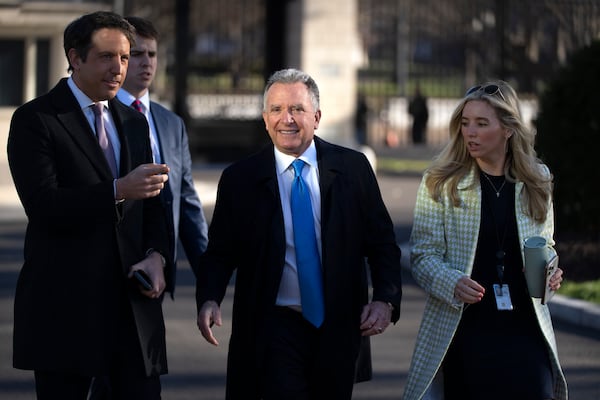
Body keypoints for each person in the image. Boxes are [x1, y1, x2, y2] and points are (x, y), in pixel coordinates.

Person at [195, 68, 402, 400]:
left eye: (297, 109)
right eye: (276, 110)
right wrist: (209, 298)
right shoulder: (241, 179)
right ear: (265, 119)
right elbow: (220, 252)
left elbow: (382, 244)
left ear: (316, 117)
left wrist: (385, 299)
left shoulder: (352, 168)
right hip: (273, 327)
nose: (286, 119)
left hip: (338, 326)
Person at [7, 11, 172, 399]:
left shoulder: (133, 122)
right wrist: (117, 189)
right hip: (66, 312)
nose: (119, 69)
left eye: (125, 58)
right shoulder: (37, 119)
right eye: (106, 57)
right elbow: (44, 206)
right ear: (75, 58)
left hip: (133, 312)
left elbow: (155, 202)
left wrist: (157, 255)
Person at [402, 81, 568, 400]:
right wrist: (451, 281)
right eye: (465, 123)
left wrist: (552, 272)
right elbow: (422, 256)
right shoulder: (441, 182)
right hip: (466, 329)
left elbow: (546, 245)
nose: (470, 133)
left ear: (507, 129)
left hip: (525, 326)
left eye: (481, 123)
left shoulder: (537, 179)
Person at [117, 16, 208, 289]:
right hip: (112, 261)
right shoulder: (101, 114)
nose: (147, 62)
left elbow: (185, 197)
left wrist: (208, 270)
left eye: (152, 54)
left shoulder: (171, 123)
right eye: (137, 54)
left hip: (158, 267)